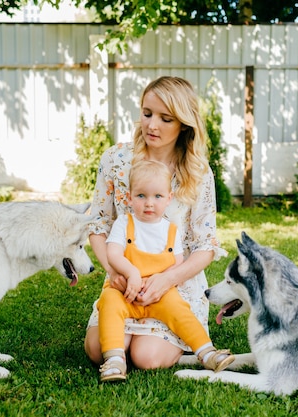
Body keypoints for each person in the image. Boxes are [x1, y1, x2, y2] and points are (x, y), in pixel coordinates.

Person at [84, 75, 228, 373]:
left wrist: (167, 280)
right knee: (99, 350)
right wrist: (115, 271)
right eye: (147, 113)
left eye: (165, 118)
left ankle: (192, 345)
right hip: (125, 279)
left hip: (175, 282)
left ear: (184, 124)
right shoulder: (116, 159)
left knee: (146, 358)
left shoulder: (198, 172)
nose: (152, 125)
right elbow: (97, 224)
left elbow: (206, 245)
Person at [97, 160, 234, 382]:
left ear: (169, 198)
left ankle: (207, 352)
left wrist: (162, 280)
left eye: (157, 196)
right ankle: (114, 360)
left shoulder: (171, 230)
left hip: (157, 291)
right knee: (109, 303)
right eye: (141, 196)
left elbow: (177, 262)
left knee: (179, 310)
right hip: (125, 290)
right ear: (129, 197)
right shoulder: (124, 222)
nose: (149, 203)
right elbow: (113, 253)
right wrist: (131, 273)